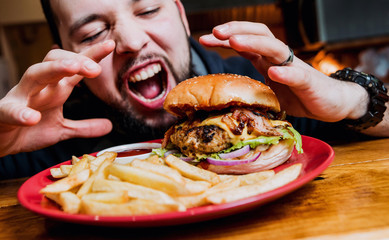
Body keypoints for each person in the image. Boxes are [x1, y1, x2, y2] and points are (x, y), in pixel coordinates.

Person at [0, 0, 388, 179]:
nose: (132, 41)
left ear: (182, 16)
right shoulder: (47, 130)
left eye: (149, 10)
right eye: (93, 32)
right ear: (66, 55)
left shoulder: (265, 93)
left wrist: (349, 99)